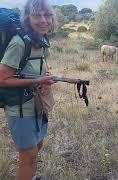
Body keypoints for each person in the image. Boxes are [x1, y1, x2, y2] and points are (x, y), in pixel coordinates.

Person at [0, 0, 56, 179]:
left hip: (36, 104)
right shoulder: (19, 43)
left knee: (38, 145)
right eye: (37, 15)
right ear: (27, 18)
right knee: (29, 154)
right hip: (20, 107)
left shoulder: (41, 40)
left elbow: (40, 64)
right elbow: (2, 79)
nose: (43, 20)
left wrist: (46, 75)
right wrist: (39, 80)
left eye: (47, 15)